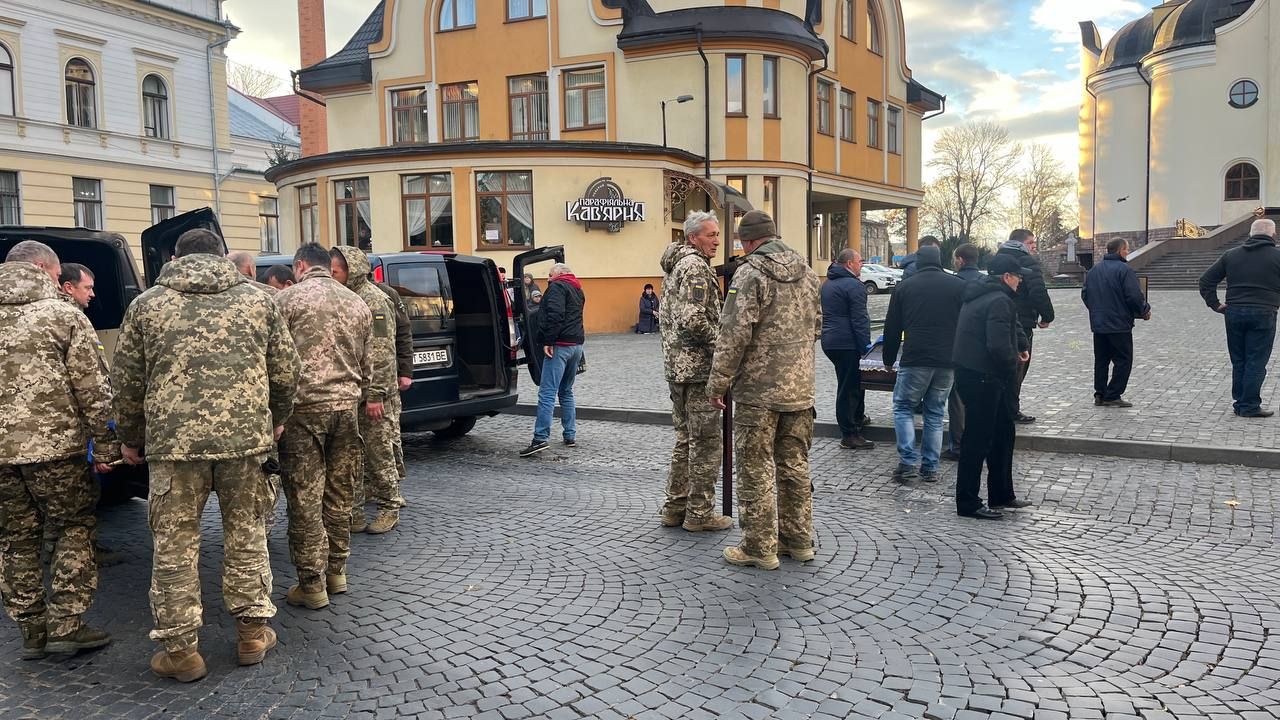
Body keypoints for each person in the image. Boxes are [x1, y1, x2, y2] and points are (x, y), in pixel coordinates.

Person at [112, 229, 299, 681]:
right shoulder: (260, 301)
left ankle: (181, 651)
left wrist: (131, 438)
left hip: (175, 449)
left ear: (175, 256)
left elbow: (127, 381)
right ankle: (252, 633)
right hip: (247, 444)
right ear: (222, 255)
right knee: (248, 535)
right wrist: (276, 419)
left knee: (174, 546)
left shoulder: (146, 305)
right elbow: (287, 371)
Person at [0, 240, 119, 659]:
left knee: (15, 538)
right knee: (72, 526)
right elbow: (95, 390)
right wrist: (106, 448)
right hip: (57, 450)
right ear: (46, 270)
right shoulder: (62, 316)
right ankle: (66, 623)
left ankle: (31, 630)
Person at [707, 210, 822, 570]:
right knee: (795, 466)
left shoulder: (750, 273)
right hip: (800, 389)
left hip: (759, 393)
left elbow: (733, 335)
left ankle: (759, 547)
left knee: (755, 468)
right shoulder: (807, 271)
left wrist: (718, 383)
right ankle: (798, 540)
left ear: (749, 241)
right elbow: (817, 325)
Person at [274, 243, 373, 610]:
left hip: (302, 412)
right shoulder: (356, 302)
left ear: (300, 266)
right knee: (339, 494)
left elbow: (277, 364)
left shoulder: (286, 302)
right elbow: (369, 364)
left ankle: (311, 584)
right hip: (346, 409)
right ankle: (337, 571)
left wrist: (275, 414)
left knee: (304, 499)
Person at [657, 212, 733, 533]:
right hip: (698, 370)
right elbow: (693, 319)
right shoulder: (696, 268)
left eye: (717, 234)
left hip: (677, 367)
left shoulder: (677, 266)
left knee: (685, 440)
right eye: (710, 235)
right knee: (704, 443)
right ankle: (700, 513)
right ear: (692, 238)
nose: (716, 240)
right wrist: (725, 347)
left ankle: (675, 508)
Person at [952, 254, 1033, 520]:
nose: (1020, 281)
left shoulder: (981, 295)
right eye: (1017, 276)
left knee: (1002, 434)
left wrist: (1019, 345)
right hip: (984, 377)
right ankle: (968, 502)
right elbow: (997, 345)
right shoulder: (999, 300)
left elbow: (1009, 331)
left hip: (973, 373)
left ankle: (1001, 494)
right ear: (1006, 277)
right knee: (978, 439)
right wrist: (1013, 364)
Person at [331, 247, 403, 534]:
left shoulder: (374, 301)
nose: (332, 276)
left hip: (372, 395)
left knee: (379, 453)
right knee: (354, 455)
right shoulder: (346, 297)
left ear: (353, 270)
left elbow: (383, 353)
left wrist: (376, 396)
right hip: (351, 392)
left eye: (336, 271)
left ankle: (389, 506)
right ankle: (356, 511)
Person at [882, 245, 966, 482]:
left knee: (903, 407)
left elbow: (892, 327)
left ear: (918, 262)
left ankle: (907, 462)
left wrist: (888, 359)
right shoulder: (958, 285)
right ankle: (930, 467)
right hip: (948, 358)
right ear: (940, 260)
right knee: (936, 412)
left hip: (915, 357)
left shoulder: (905, 287)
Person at [1199, 218, 1280, 418]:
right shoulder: (1277, 256)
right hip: (1264, 312)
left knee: (1239, 360)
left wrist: (1215, 304)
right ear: (1273, 234)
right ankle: (1249, 406)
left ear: (1251, 234)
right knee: (1256, 361)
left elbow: (1206, 280)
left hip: (1234, 312)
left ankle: (1240, 402)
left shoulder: (1231, 255)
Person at [521, 263, 586, 457]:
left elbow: (556, 316)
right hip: (576, 345)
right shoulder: (577, 288)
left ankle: (540, 438)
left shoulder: (557, 287)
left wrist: (548, 341)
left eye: (550, 275)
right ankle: (570, 435)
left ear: (560, 274)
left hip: (560, 346)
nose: (548, 279)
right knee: (566, 390)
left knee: (547, 392)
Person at [1082, 238, 1152, 408]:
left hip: (1099, 324)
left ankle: (1100, 393)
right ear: (1121, 250)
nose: (1127, 252)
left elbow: (1085, 294)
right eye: (1127, 249)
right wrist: (1144, 310)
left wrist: (1096, 310)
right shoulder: (1124, 270)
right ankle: (1113, 395)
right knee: (1123, 360)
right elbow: (1134, 296)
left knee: (1101, 360)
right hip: (1119, 324)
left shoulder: (1093, 271)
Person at [995, 229, 1054, 424]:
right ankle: (1011, 410)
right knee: (1019, 367)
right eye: (1031, 244)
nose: (1034, 248)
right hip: (1023, 321)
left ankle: (1000, 406)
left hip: (999, 318)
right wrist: (1047, 316)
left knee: (1002, 367)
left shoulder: (998, 258)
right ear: (1021, 244)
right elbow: (1038, 290)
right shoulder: (1027, 261)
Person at [820, 248, 873, 450]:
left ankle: (857, 418)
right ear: (849, 264)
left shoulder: (828, 283)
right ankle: (849, 433)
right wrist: (865, 347)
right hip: (847, 342)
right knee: (849, 387)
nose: (862, 264)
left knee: (851, 382)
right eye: (860, 261)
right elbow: (860, 320)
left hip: (831, 341)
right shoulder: (854, 286)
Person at [943, 243, 984, 462]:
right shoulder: (987, 282)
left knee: (957, 398)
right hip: (983, 348)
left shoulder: (953, 284)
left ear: (959, 259)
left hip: (958, 347)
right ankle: (979, 442)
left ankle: (958, 445)